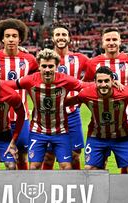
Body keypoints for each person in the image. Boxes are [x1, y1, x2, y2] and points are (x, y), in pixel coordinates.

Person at [6, 48, 90, 170]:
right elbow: (10, 84)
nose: (47, 70)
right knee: (34, 167)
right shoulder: (30, 79)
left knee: (66, 167)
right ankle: (37, 189)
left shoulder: (66, 80)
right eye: (44, 66)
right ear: (39, 66)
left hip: (60, 132)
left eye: (50, 66)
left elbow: (86, 86)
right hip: (37, 131)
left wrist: (109, 84)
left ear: (57, 66)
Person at [0, 18, 38, 170]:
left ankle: (22, 187)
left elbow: (36, 81)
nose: (11, 39)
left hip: (21, 117)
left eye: (14, 36)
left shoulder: (29, 59)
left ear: (20, 38)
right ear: (2, 38)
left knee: (22, 155)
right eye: (7, 36)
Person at [83, 27, 128, 173]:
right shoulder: (94, 63)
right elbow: (85, 84)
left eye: (114, 39)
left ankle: (124, 191)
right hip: (100, 116)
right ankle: (102, 191)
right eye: (108, 40)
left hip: (125, 117)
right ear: (102, 43)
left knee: (127, 163)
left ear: (120, 42)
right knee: (99, 162)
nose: (111, 43)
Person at [66, 66, 128, 173]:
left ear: (112, 81)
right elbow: (67, 102)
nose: (103, 84)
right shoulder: (86, 94)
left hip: (122, 137)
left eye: (106, 81)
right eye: (100, 81)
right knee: (89, 169)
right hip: (97, 137)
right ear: (94, 82)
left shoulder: (126, 93)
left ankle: (126, 190)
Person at [42, 24, 89, 170]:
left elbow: (97, 71)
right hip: (50, 115)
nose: (61, 37)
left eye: (64, 34)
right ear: (52, 38)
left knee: (75, 154)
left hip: (72, 113)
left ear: (69, 38)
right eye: (58, 35)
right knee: (48, 156)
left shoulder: (80, 58)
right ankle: (46, 188)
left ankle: (76, 187)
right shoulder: (44, 60)